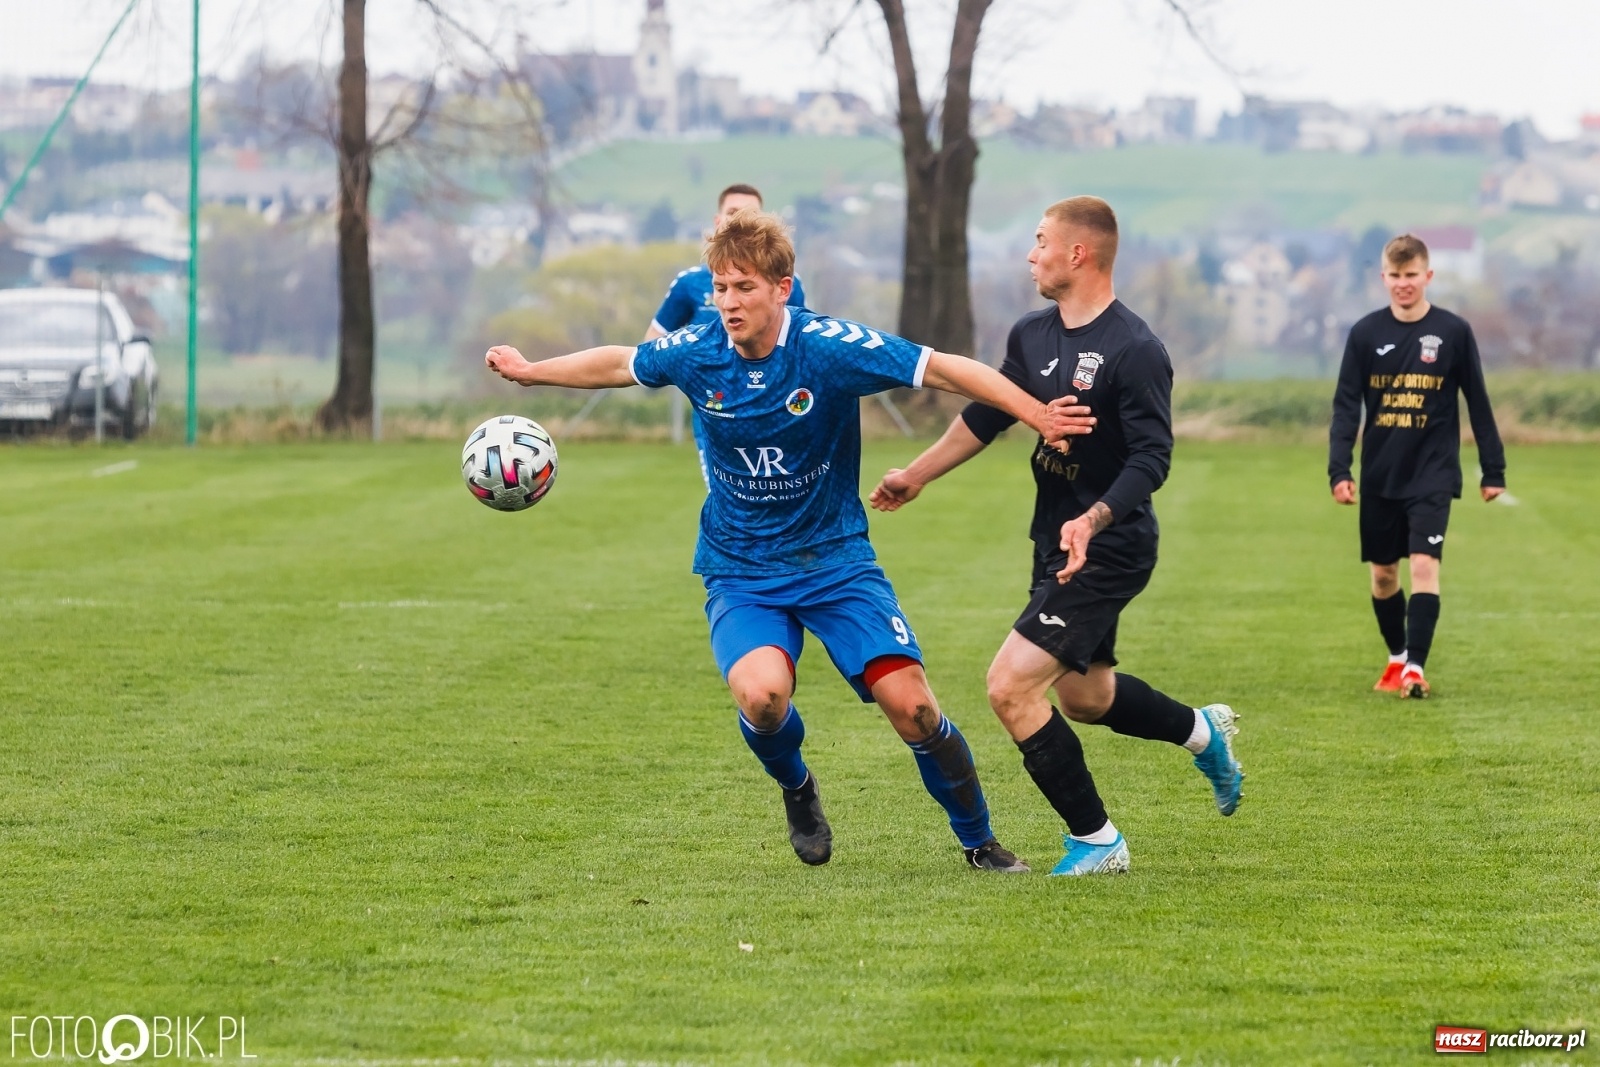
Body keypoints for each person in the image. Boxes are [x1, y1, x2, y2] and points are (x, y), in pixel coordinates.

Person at [486, 209, 1091, 872]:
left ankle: (980, 841)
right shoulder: (697, 349)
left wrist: (1034, 413)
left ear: (781, 287)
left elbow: (943, 368)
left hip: (835, 562)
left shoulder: (828, 348)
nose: (729, 302)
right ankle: (798, 787)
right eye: (720, 288)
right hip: (741, 568)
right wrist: (531, 370)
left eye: (744, 287)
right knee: (762, 697)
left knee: (914, 708)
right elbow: (621, 363)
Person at [869, 196, 1243, 877]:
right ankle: (1200, 730)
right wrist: (916, 474)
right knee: (1086, 697)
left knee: (1010, 686)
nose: (1031, 253)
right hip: (1055, 540)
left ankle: (1098, 839)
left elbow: (1151, 459)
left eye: (1041, 240)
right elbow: (987, 416)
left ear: (1080, 253)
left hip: (1109, 544)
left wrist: (1092, 518)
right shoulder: (1032, 335)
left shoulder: (1135, 348)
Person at [1329, 233, 1507, 700]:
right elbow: (1347, 407)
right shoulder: (1365, 334)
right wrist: (1339, 470)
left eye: (1412, 276)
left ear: (1428, 276)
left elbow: (1478, 402)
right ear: (1383, 278)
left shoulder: (1453, 332)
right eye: (1395, 276)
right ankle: (1396, 657)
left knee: (1425, 565)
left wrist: (1493, 470)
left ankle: (1415, 669)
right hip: (1381, 474)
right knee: (1384, 575)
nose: (1403, 284)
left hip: (1433, 472)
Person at [645, 184, 809, 485]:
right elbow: (650, 345)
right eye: (733, 213)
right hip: (715, 414)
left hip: (774, 414)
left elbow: (801, 348)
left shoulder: (787, 284)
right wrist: (689, 363)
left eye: (751, 214)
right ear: (718, 220)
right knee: (727, 501)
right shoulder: (689, 284)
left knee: (780, 502)